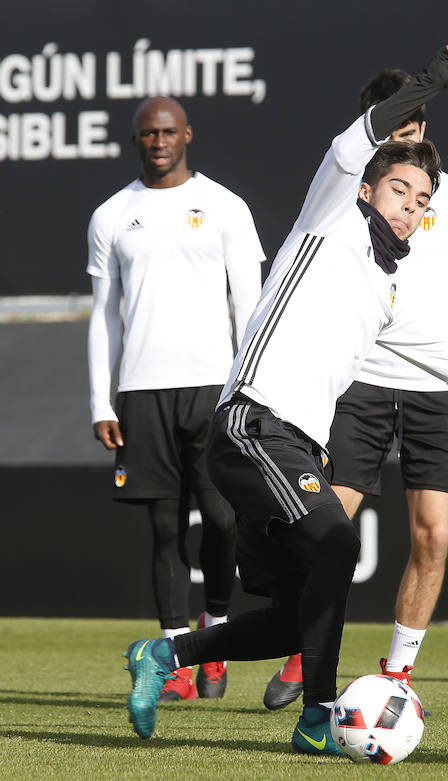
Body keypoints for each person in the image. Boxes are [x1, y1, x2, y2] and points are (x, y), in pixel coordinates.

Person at [121, 34, 448, 754]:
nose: (410, 205)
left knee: (299, 615)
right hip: (251, 427)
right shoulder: (326, 220)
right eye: (397, 188)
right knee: (337, 545)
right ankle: (320, 715)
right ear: (362, 186)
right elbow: (362, 136)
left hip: (293, 445)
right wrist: (433, 81)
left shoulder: (390, 295)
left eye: (422, 199)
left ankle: (162, 656)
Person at [262, 67, 448, 710]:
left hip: (439, 388)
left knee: (432, 533)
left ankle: (398, 675)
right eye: (392, 125)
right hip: (363, 385)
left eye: (415, 124)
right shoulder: (342, 199)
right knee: (328, 528)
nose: (405, 136)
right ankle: (305, 647)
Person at [88, 96, 264, 701]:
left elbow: (253, 304)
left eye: (167, 131)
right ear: (134, 140)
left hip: (217, 388)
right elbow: (104, 317)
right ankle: (174, 665)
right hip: (140, 392)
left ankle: (214, 637)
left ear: (186, 134)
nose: (158, 141)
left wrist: (253, 387)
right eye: (147, 133)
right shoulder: (111, 215)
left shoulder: (225, 207)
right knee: (165, 527)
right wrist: (100, 401)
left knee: (221, 517)